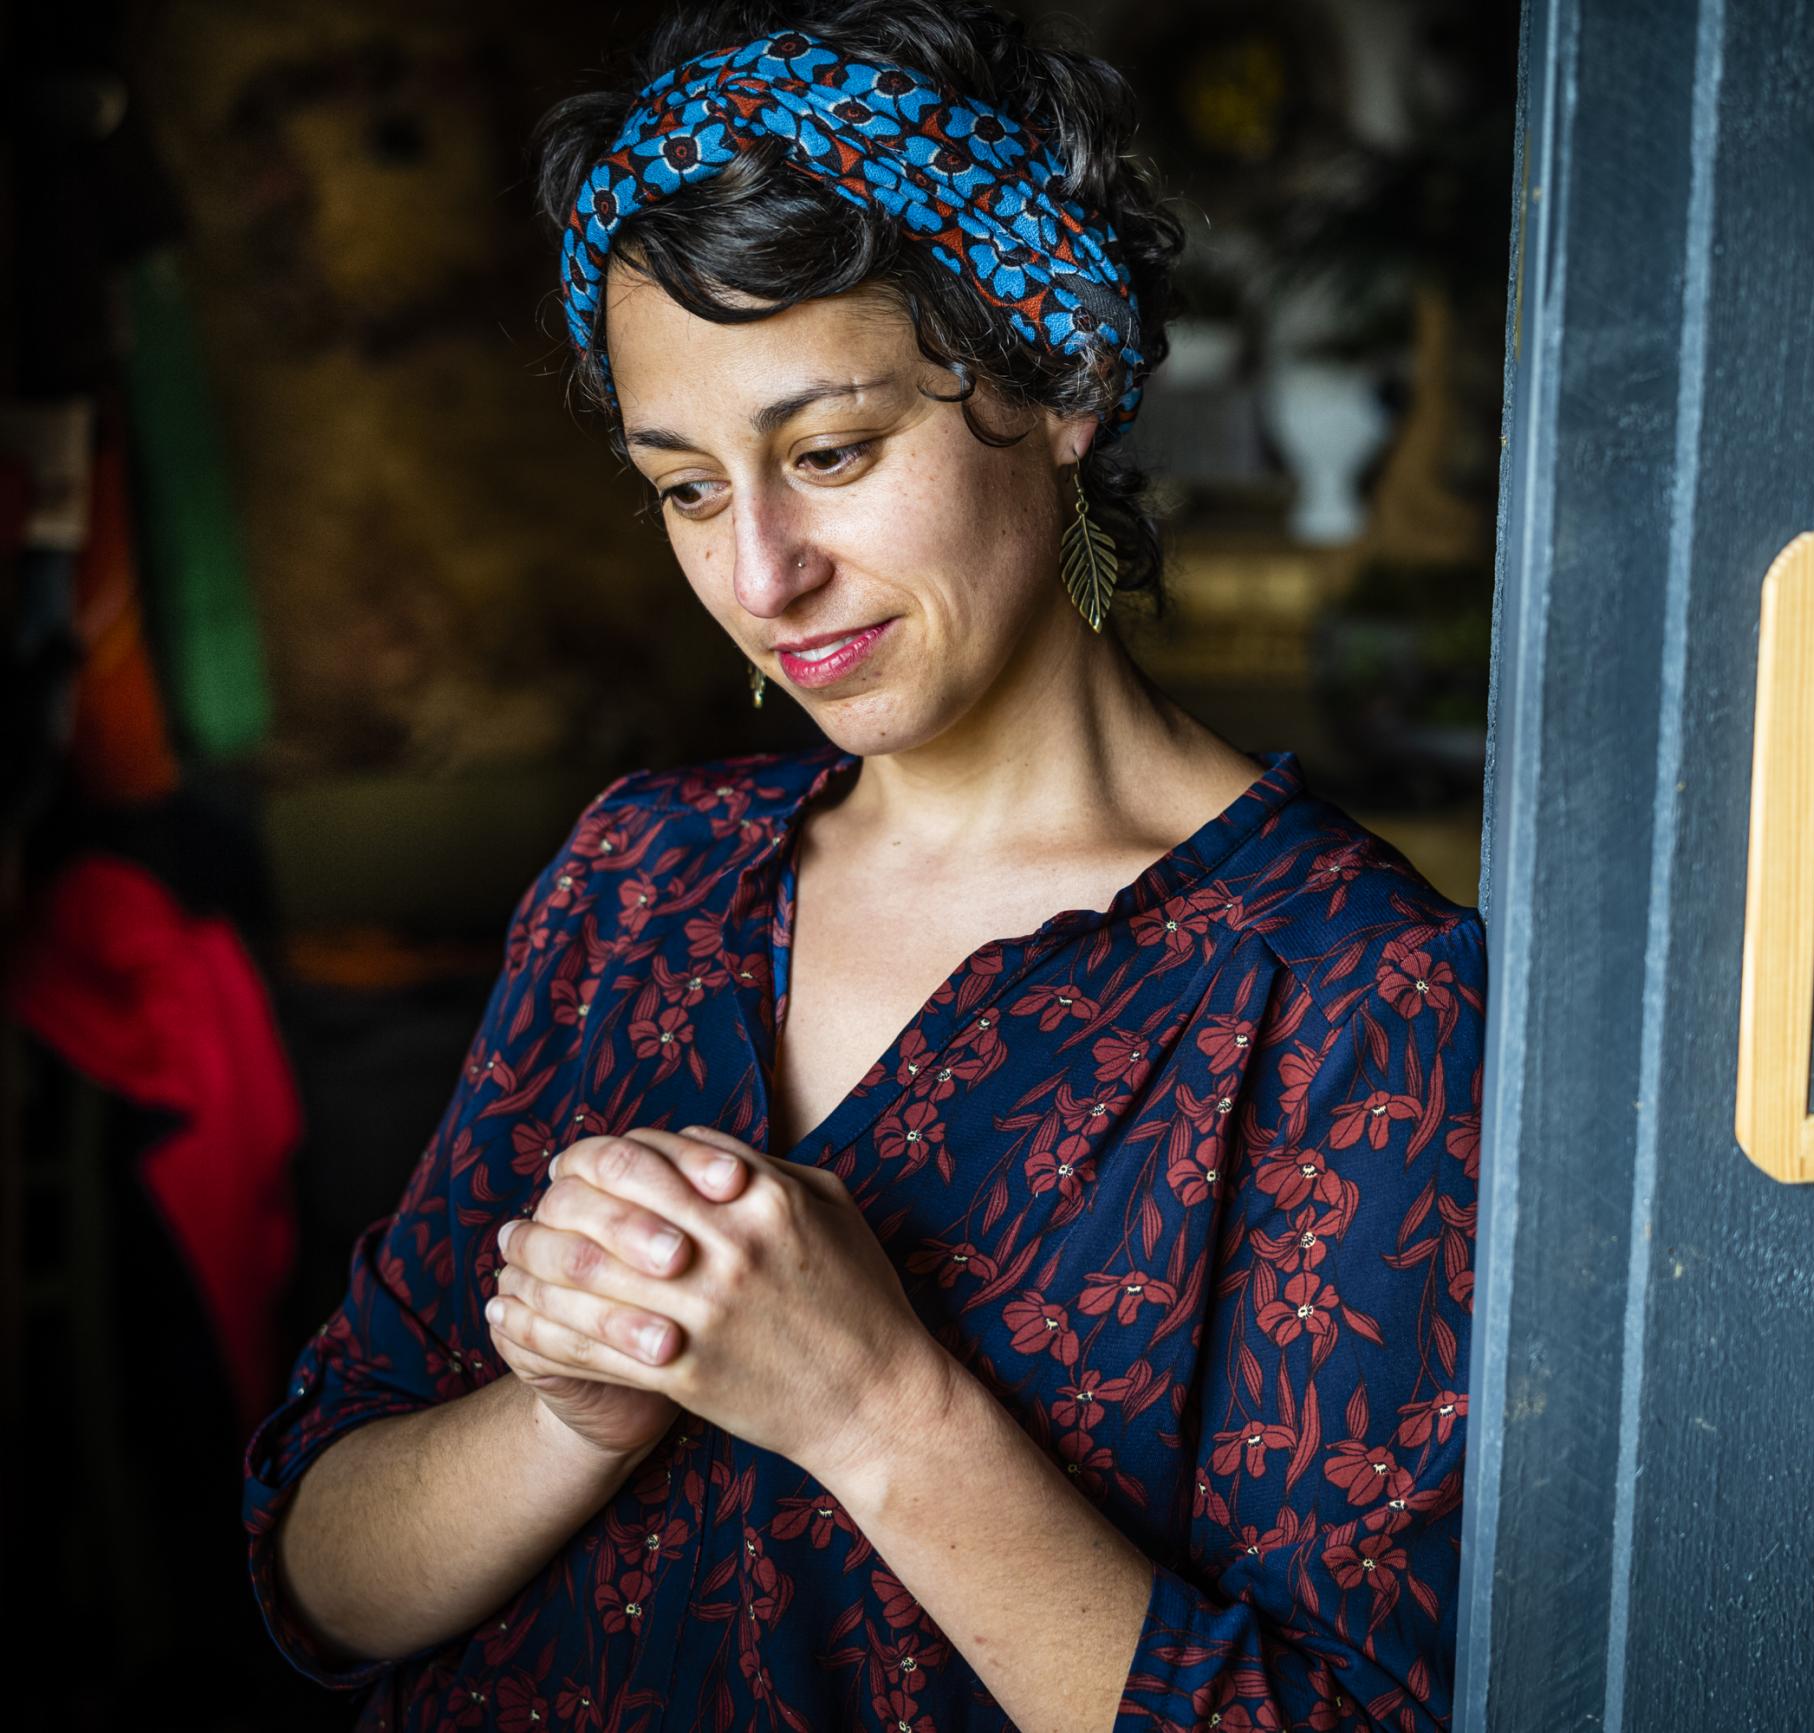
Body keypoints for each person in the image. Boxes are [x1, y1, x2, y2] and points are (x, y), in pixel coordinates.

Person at [238, 4, 1489, 1731]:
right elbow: (314, 1565)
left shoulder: (1357, 997)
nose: (763, 573)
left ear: (1058, 377)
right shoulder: (642, 880)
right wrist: (560, 1420)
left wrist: (875, 1405)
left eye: (830, 454)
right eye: (684, 488)